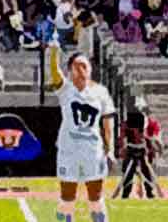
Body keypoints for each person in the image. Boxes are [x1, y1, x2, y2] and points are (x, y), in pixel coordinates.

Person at [47, 43, 117, 222]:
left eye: (84, 65)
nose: (81, 70)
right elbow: (55, 73)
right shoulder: (66, 89)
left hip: (92, 150)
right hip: (68, 150)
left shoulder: (101, 92)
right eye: (76, 66)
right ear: (70, 70)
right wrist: (54, 52)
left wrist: (110, 149)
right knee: (67, 197)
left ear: (91, 68)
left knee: (96, 197)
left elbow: (108, 122)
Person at [115, 106, 163, 199]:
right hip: (131, 149)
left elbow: (146, 137)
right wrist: (123, 148)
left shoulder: (147, 123)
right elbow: (123, 137)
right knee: (128, 173)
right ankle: (126, 193)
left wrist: (153, 146)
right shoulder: (126, 124)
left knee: (147, 172)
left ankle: (150, 192)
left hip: (141, 149)